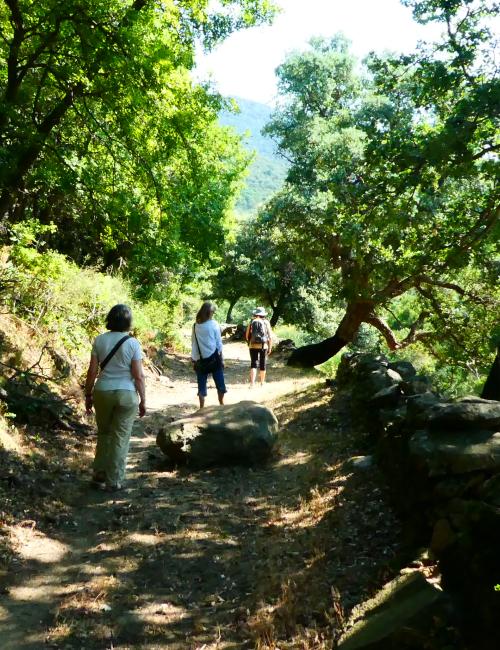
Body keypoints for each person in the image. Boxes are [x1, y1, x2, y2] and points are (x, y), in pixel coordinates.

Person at [84, 304, 146, 491]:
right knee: (120, 436)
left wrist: (88, 394)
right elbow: (138, 375)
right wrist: (143, 399)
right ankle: (114, 480)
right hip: (126, 394)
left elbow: (92, 371)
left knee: (104, 433)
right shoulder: (133, 343)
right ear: (128, 322)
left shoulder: (99, 340)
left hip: (102, 391)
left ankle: (99, 474)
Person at [191, 301, 227, 409]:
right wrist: (222, 359)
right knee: (220, 383)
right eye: (213, 312)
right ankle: (221, 404)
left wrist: (194, 358)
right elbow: (218, 343)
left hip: (201, 359)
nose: (213, 314)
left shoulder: (195, 326)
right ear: (209, 312)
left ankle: (202, 407)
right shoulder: (214, 324)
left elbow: (194, 343)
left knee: (201, 386)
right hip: (214, 358)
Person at [246, 307, 273, 387]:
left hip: (252, 345)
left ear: (255, 314)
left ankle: (252, 384)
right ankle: (262, 383)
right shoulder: (266, 322)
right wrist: (270, 347)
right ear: (263, 314)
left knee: (253, 364)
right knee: (262, 364)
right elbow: (270, 336)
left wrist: (250, 341)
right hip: (263, 346)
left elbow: (247, 336)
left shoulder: (252, 322)